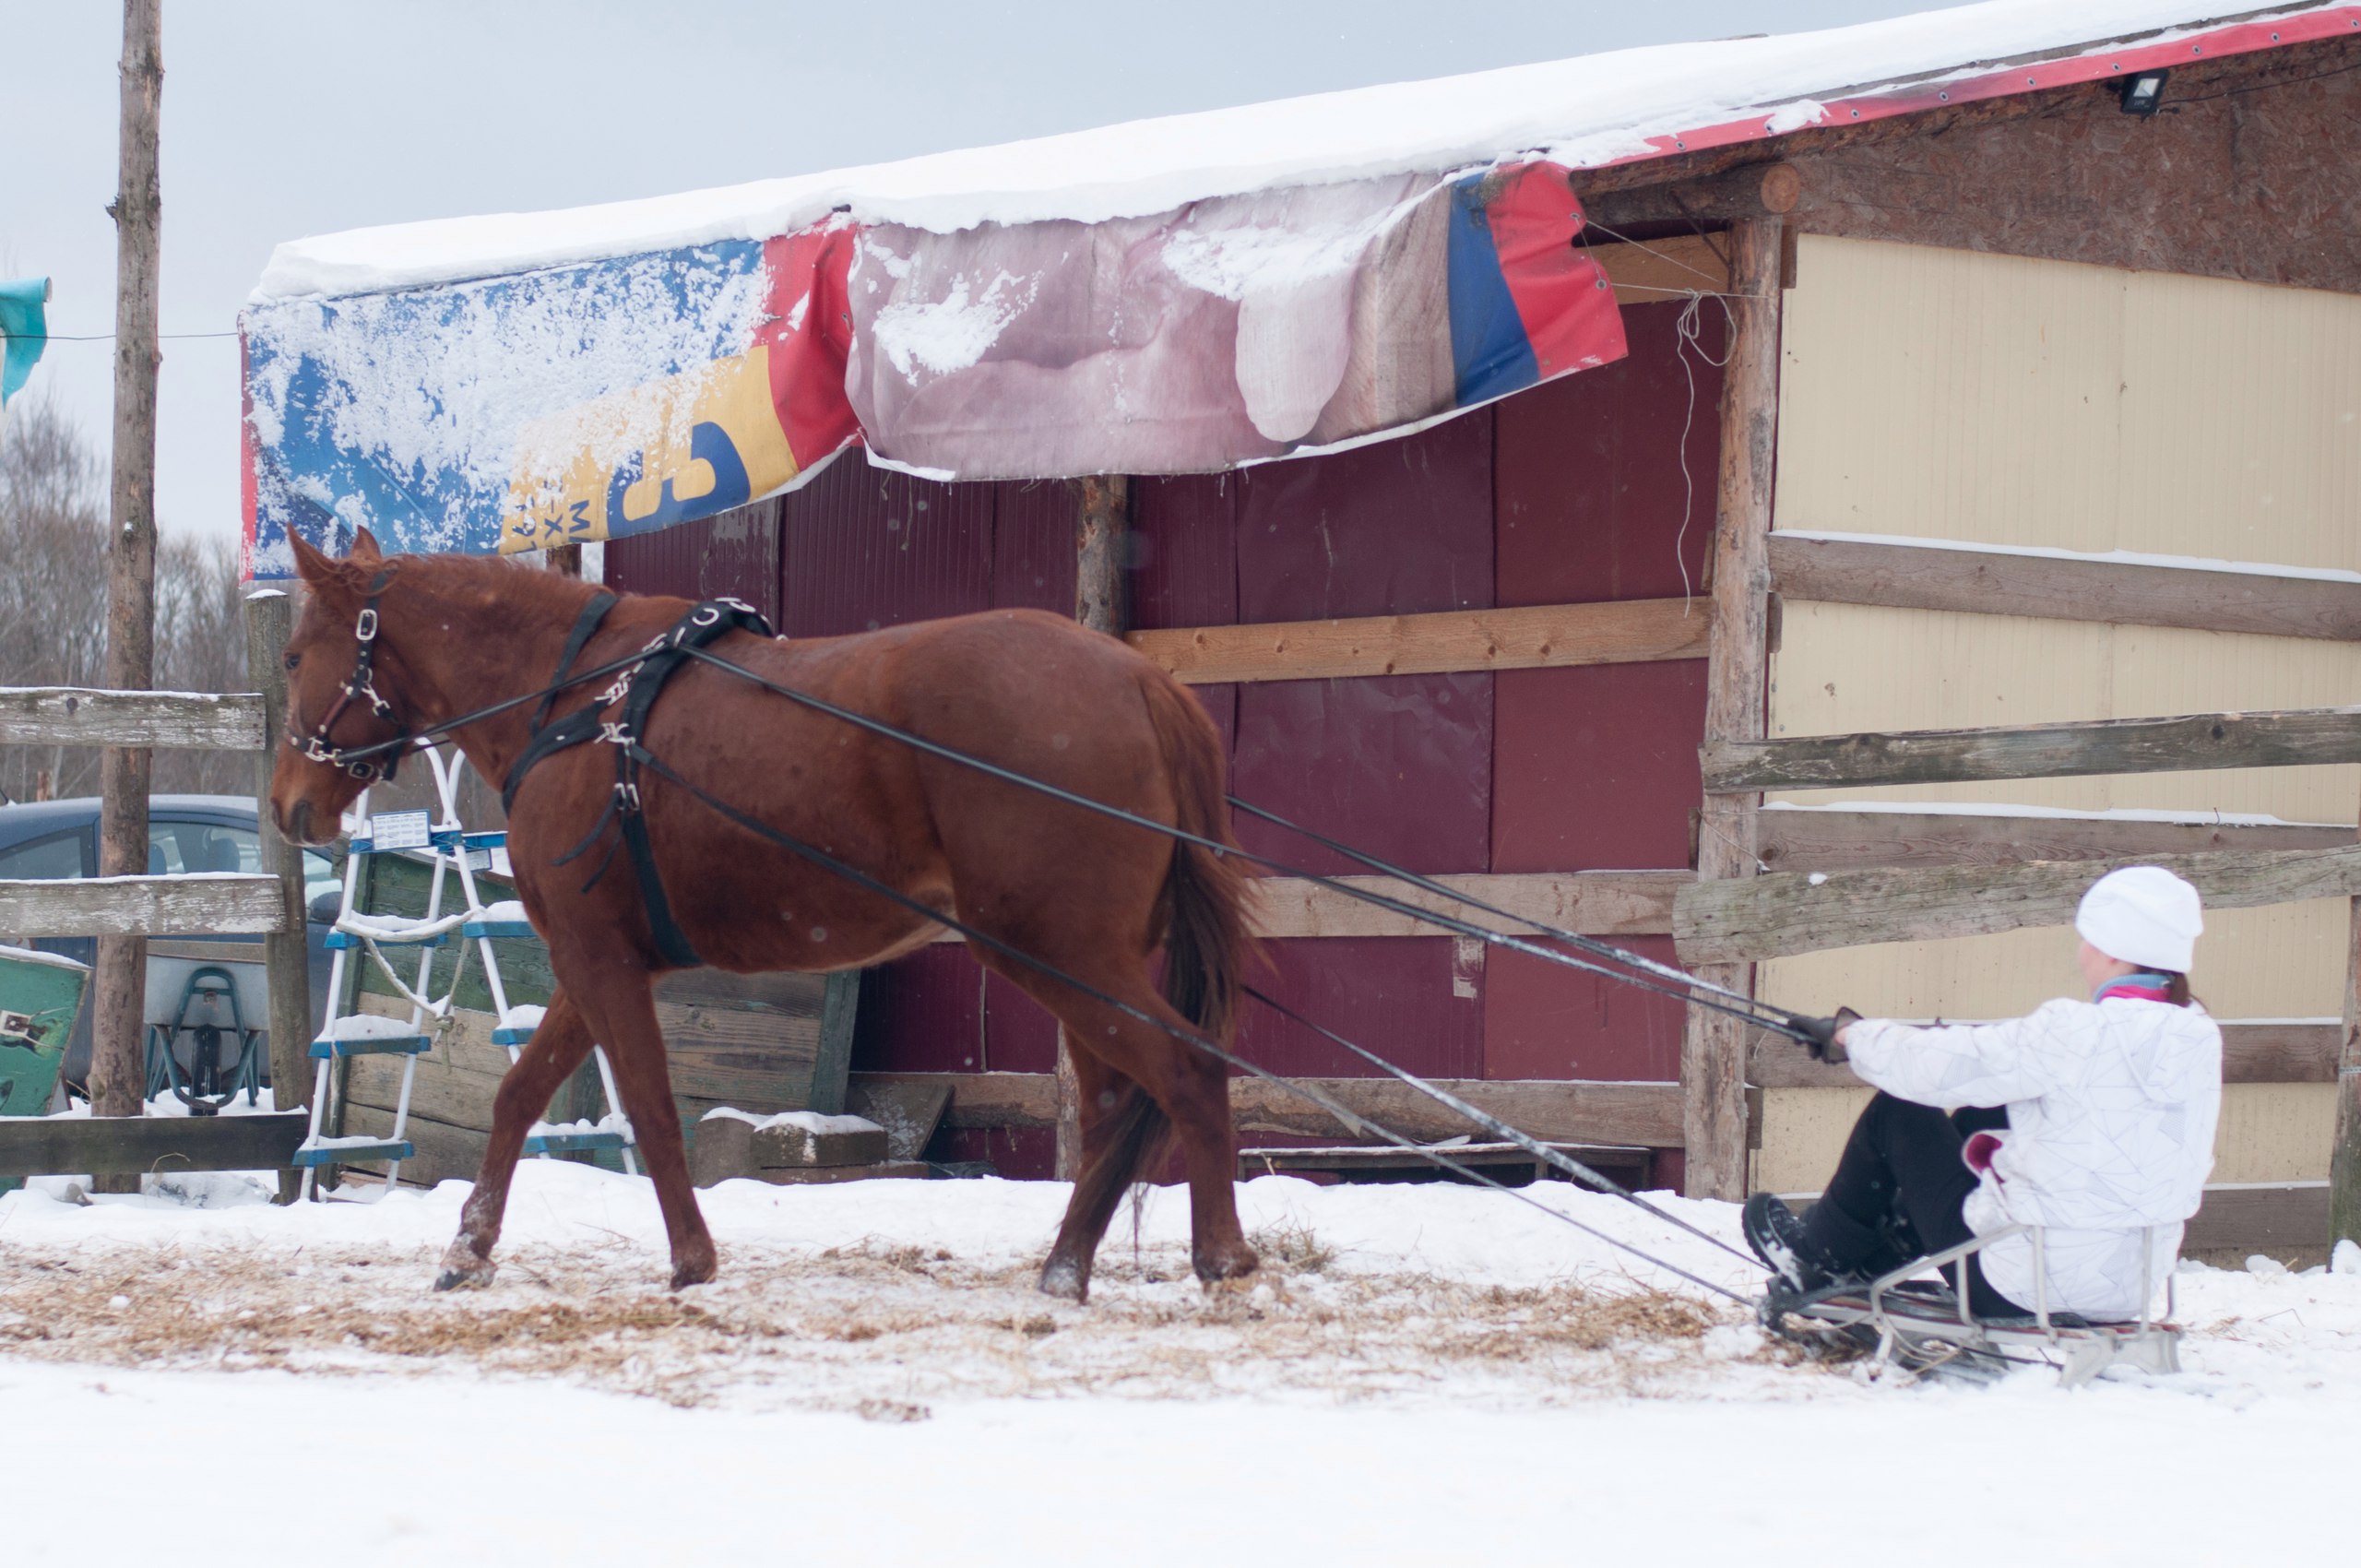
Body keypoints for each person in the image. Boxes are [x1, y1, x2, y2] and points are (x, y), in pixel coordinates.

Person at [1745, 865, 2223, 1323]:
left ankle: (1815, 1258)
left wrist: (1852, 1038)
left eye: (2087, 939)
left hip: (2020, 1288)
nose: (2081, 953)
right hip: (2125, 1291)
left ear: (2113, 951)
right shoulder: (2199, 1038)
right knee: (1995, 1108)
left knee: (1899, 1109)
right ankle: (1879, 1257)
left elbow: (1945, 1064)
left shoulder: (2077, 1031)